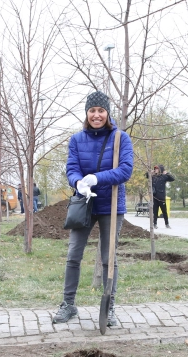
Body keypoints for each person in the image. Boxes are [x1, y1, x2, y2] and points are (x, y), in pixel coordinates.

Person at [51, 91, 134, 327]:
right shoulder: (77, 140)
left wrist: (96, 179)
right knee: (73, 255)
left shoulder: (120, 138)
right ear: (86, 114)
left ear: (107, 113)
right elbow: (72, 168)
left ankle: (109, 307)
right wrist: (78, 183)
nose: (96, 115)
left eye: (100, 110)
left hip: (110, 205)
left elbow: (125, 170)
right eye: (92, 111)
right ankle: (68, 305)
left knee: (109, 259)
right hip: (84, 205)